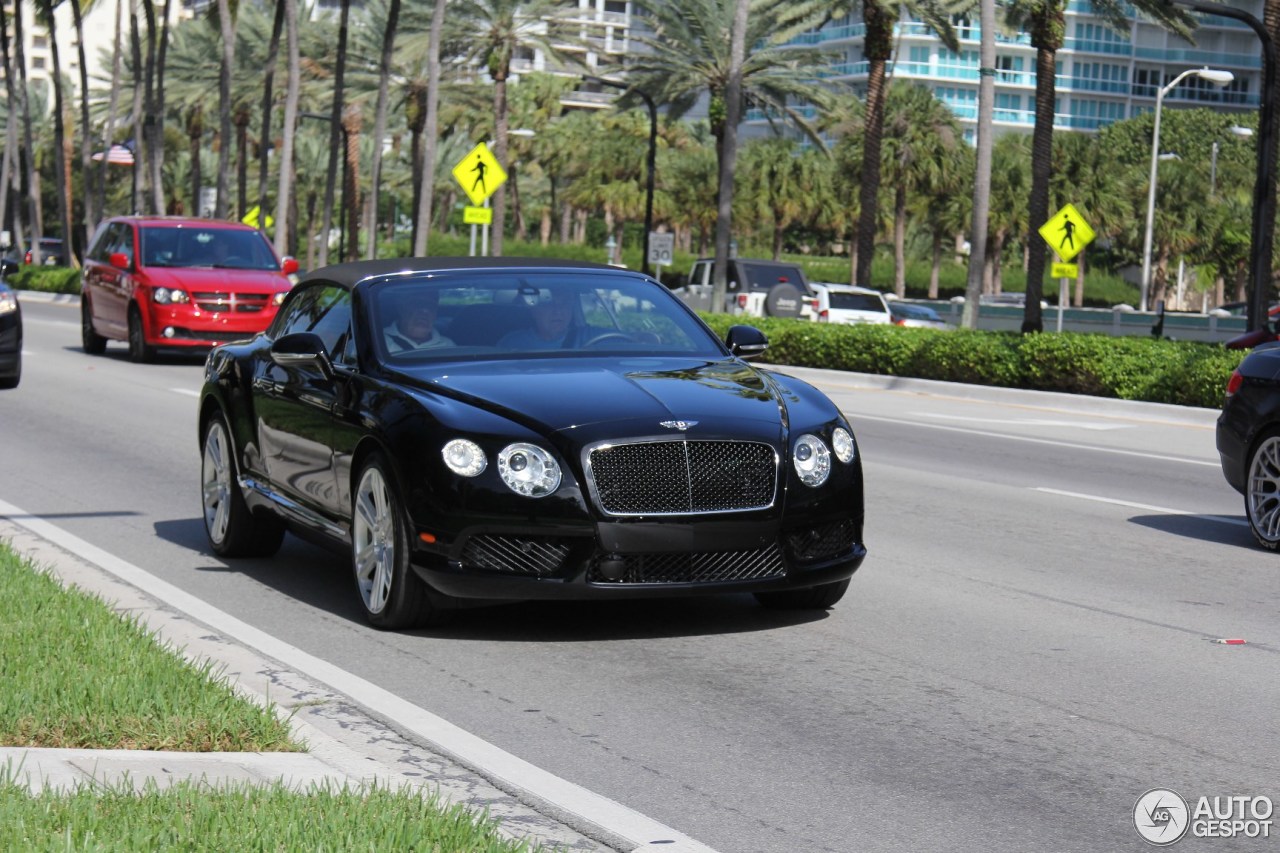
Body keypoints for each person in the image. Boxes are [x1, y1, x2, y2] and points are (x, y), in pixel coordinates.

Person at [498, 288, 577, 349]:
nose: (558, 311)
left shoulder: (586, 337)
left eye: (565, 304)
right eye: (549, 304)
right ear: (534, 311)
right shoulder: (512, 343)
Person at [384, 289, 454, 352]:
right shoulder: (380, 341)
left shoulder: (448, 345)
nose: (425, 311)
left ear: (436, 314)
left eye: (430, 306)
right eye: (418, 304)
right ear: (401, 308)